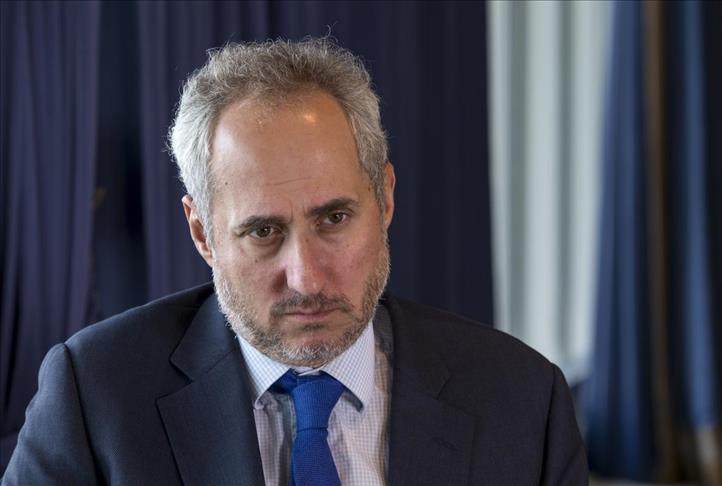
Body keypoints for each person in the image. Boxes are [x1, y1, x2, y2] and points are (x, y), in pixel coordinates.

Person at [3, 38, 588, 485]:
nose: (306, 278)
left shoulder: (522, 400)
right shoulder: (95, 395)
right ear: (202, 233)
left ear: (384, 199)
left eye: (333, 219)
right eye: (263, 231)